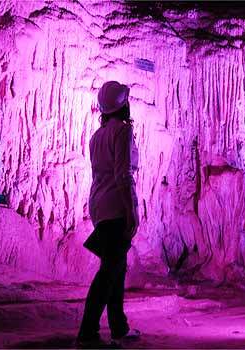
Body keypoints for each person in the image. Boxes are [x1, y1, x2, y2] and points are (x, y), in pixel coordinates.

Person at [77, 81, 141, 348]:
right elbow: (123, 175)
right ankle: (87, 333)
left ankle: (118, 326)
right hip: (116, 206)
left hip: (98, 206)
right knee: (110, 271)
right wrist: (132, 210)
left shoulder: (97, 136)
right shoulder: (122, 132)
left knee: (116, 267)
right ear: (123, 105)